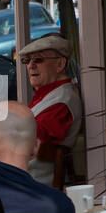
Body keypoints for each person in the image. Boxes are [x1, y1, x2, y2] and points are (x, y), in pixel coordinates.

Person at [19, 34, 82, 186]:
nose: (30, 66)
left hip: (30, 185)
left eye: (38, 60)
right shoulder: (48, 94)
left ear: (60, 64)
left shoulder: (62, 102)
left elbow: (26, 140)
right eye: (27, 60)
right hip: (19, 179)